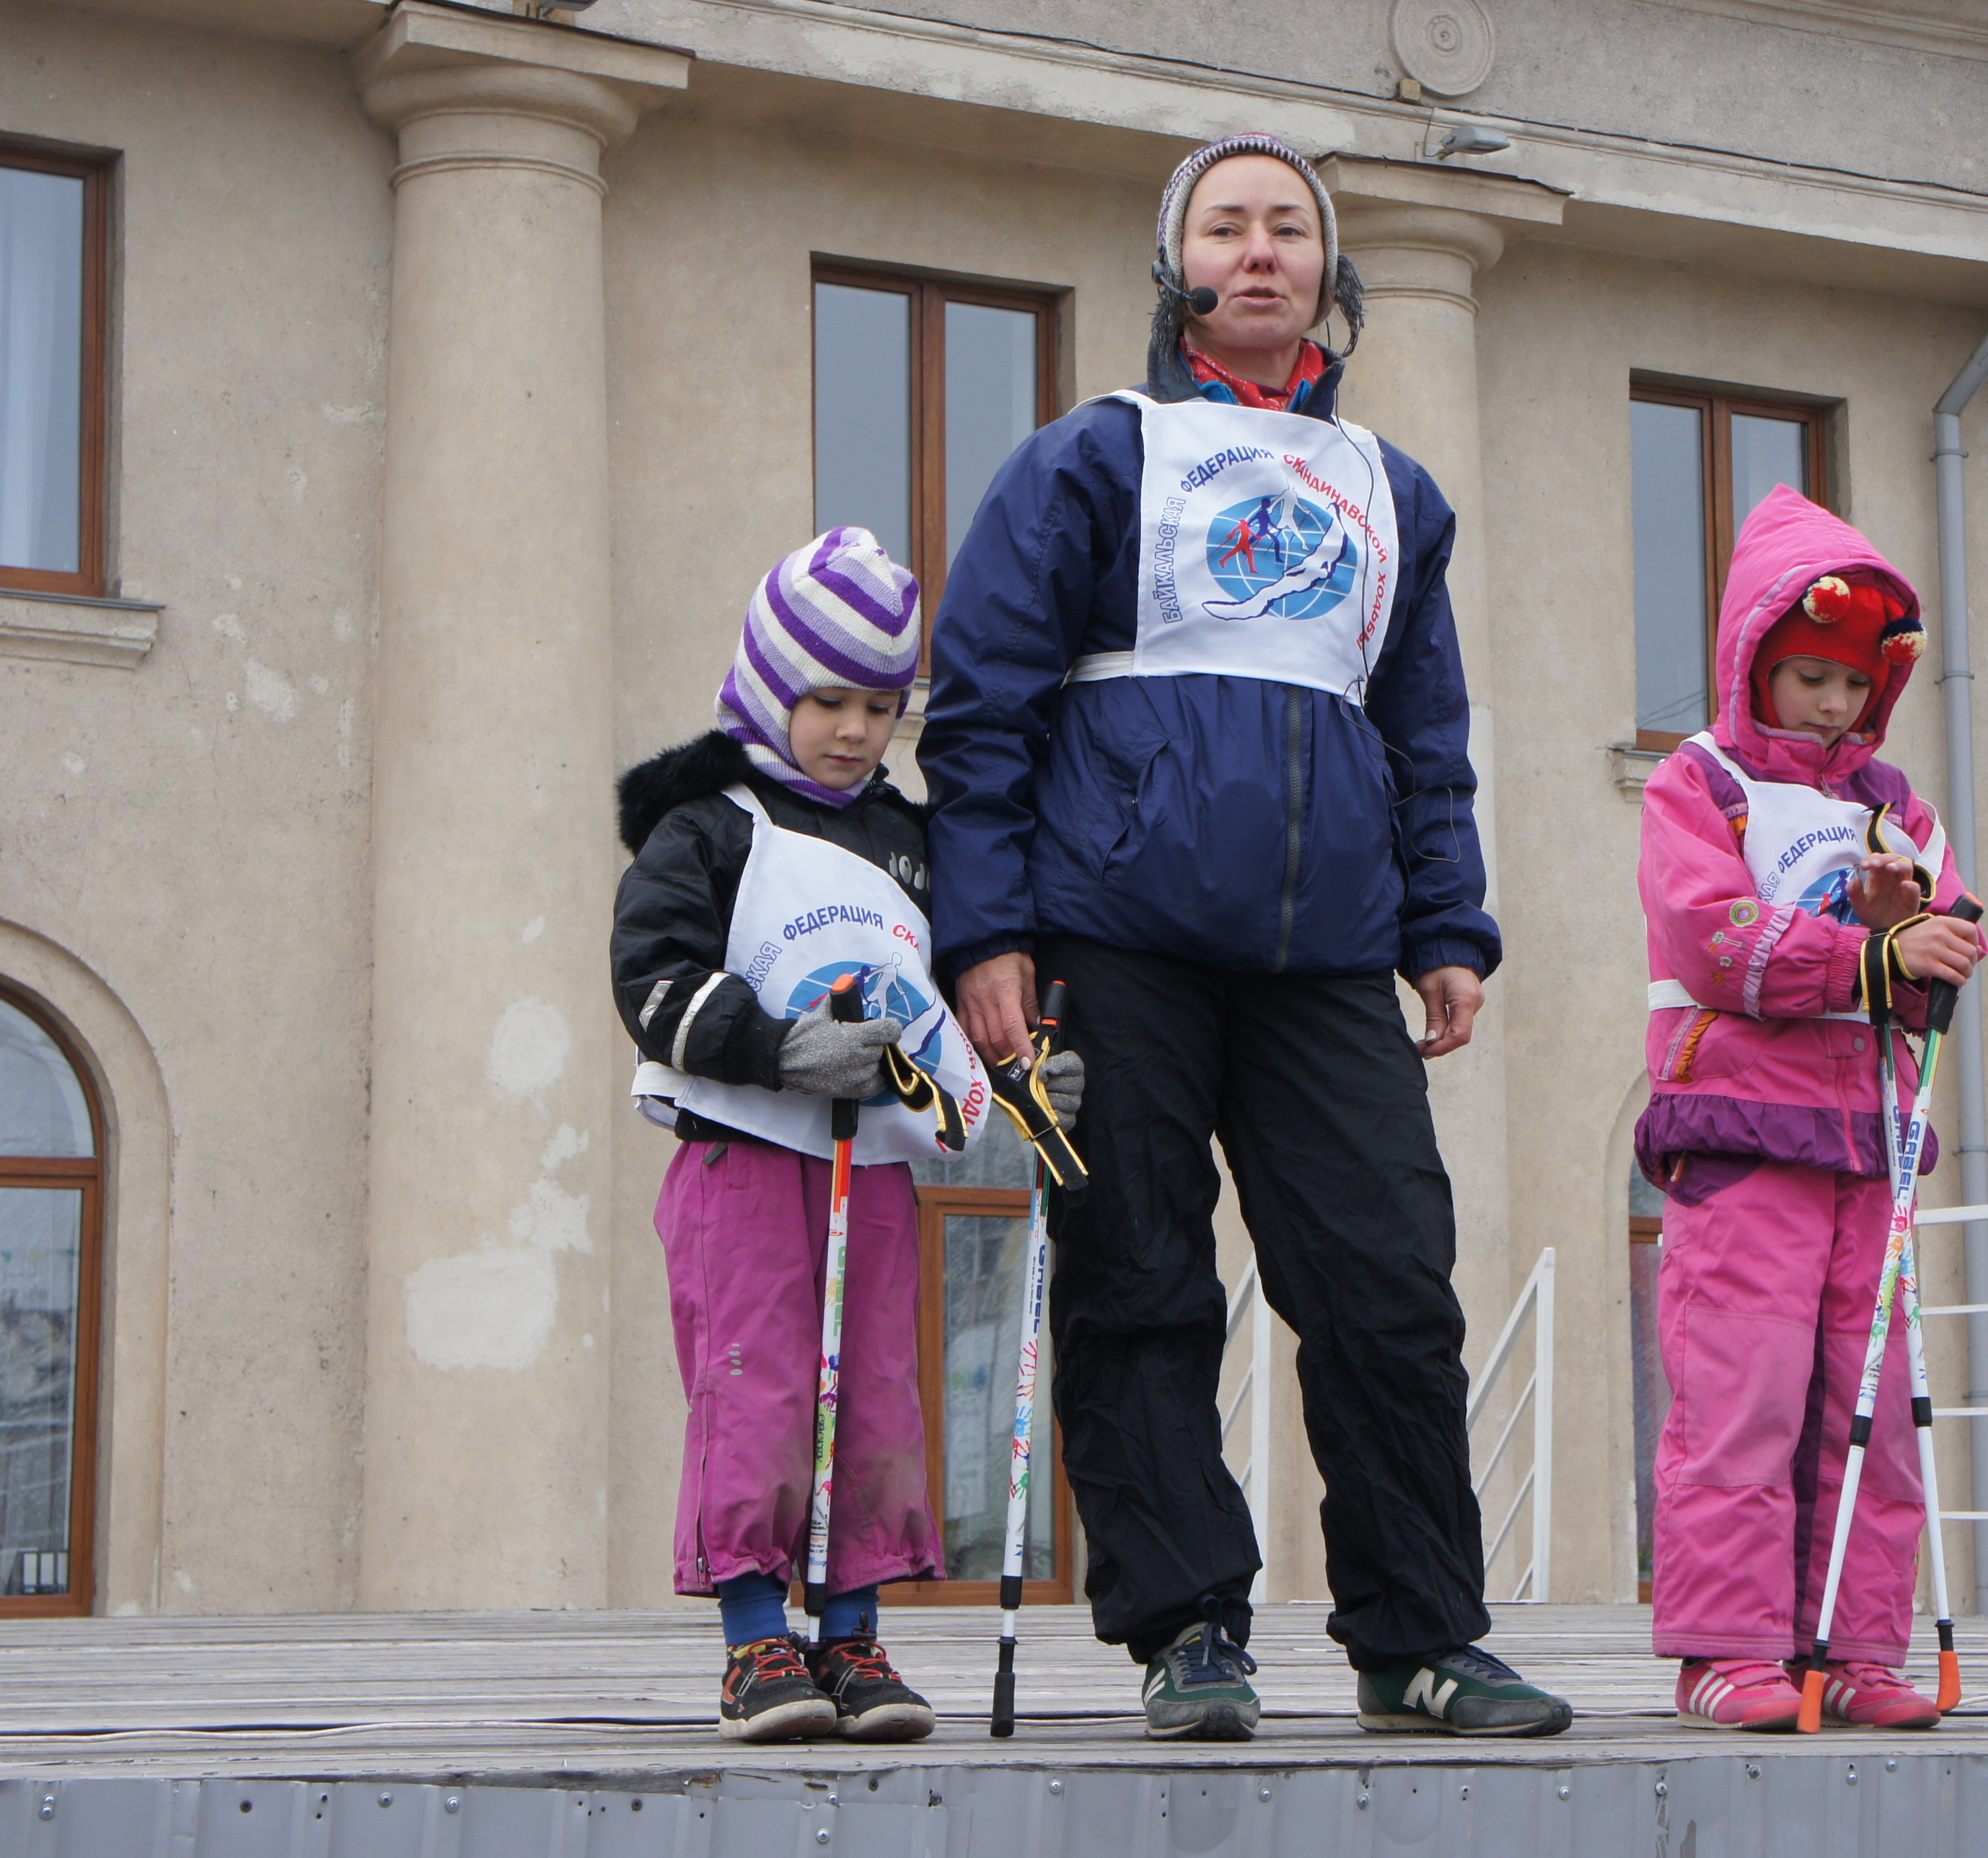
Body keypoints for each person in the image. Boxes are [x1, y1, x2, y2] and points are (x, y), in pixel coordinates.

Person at [920, 132, 1570, 1740]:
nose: (1260, 252)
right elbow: (983, 709)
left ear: (1329, 269)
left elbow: (1426, 732)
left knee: (1387, 1285)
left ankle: (1418, 1637)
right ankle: (1187, 1628)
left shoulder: (1394, 493)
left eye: (1289, 227)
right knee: (1138, 1279)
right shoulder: (1091, 456)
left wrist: (1448, 921)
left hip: (1329, 956)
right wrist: (985, 932)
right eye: (1227, 228)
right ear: (1178, 267)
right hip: (1109, 939)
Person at [610, 528, 985, 1744]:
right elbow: (651, 979)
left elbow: (948, 1008)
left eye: (881, 707)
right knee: (760, 1387)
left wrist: (1025, 1080)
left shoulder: (908, 841)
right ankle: (756, 1638)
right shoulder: (708, 827)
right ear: (772, 687)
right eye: (828, 701)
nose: (855, 731)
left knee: (874, 1395)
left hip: (871, 1169)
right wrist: (776, 1048)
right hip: (746, 1159)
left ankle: (854, 1638)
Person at [1634, 484, 1988, 1730]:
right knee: (1745, 1394)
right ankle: (1726, 1652)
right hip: (1741, 1132)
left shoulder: (1899, 807)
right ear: (1755, 665)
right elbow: (1711, 931)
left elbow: (1946, 946)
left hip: (1868, 1143)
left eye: (1853, 683)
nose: (1832, 705)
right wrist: (1866, 956)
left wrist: (1917, 929)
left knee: (1870, 1411)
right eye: (1807, 677)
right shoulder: (1702, 781)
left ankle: (1854, 1648)